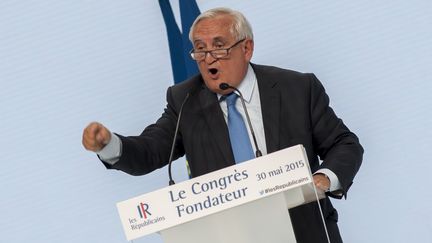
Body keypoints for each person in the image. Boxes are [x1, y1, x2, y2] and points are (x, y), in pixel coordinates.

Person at [82, 7, 363, 243]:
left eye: (219, 47)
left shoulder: (296, 88)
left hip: (303, 231)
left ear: (247, 48)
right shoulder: (185, 101)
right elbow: (150, 150)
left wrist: (324, 179)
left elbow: (344, 144)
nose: (209, 59)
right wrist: (109, 145)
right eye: (200, 50)